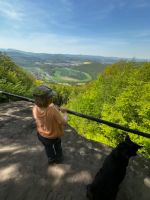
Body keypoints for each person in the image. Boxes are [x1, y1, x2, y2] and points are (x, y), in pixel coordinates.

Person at [32, 85, 67, 165]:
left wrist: (54, 107)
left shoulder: (35, 107)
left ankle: (51, 158)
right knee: (57, 146)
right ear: (49, 99)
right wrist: (64, 113)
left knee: (48, 147)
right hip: (53, 136)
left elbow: (38, 117)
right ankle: (59, 158)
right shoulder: (52, 109)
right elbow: (63, 122)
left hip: (41, 135)